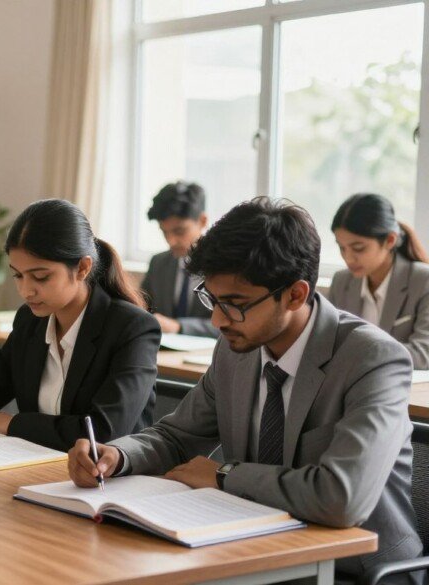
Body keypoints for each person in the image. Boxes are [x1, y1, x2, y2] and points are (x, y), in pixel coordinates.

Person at [68, 197, 421, 583]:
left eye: (235, 304)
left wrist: (225, 475)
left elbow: (342, 497)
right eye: (212, 299)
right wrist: (118, 455)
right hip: (253, 551)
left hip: (353, 571)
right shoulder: (238, 347)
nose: (218, 320)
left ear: (296, 294)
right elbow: (176, 436)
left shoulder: (373, 360)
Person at [0, 199, 159, 451]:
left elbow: (103, 431)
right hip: (39, 467)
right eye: (17, 275)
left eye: (41, 276)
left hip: (109, 481)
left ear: (82, 268)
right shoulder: (30, 320)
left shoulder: (132, 328)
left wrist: (15, 424)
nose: (26, 290)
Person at [329, 193, 429, 369]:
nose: (348, 258)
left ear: (390, 240)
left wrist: (360, 355)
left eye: (358, 248)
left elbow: (423, 354)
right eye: (341, 247)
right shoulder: (341, 281)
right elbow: (326, 344)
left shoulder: (422, 281)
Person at [140, 181, 218, 337]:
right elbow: (142, 309)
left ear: (202, 221)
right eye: (164, 232)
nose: (170, 241)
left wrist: (178, 326)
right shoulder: (158, 263)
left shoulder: (226, 266)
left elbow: (237, 324)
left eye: (179, 231)